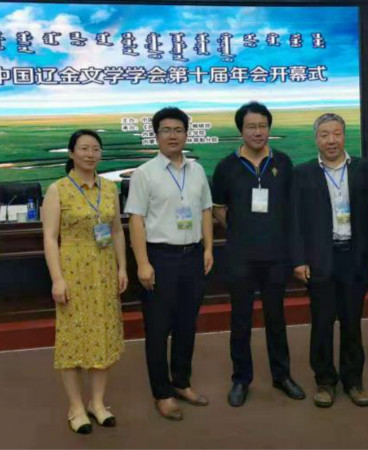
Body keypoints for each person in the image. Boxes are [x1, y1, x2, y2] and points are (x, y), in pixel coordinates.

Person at [212, 101, 305, 406]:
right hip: (240, 256)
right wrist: (242, 230)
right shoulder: (226, 167)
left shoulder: (283, 162)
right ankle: (241, 379)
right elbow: (219, 209)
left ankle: (282, 375)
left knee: (276, 318)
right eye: (251, 126)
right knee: (240, 319)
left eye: (262, 126)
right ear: (241, 130)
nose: (257, 132)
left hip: (276, 255)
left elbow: (292, 209)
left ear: (269, 128)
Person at [291, 113, 368, 407]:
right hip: (320, 258)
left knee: (351, 322)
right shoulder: (302, 173)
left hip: (354, 257)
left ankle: (354, 381)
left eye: (336, 133)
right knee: (321, 322)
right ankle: (325, 381)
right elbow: (295, 221)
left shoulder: (363, 169)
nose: (331, 140)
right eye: (324, 135)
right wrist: (299, 259)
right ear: (316, 139)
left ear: (345, 136)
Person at [125, 107, 214, 421]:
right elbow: (136, 219)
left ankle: (182, 382)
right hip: (160, 257)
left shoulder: (197, 170)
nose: (173, 136)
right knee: (158, 328)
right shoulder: (144, 173)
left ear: (187, 134)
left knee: (187, 324)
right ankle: (162, 393)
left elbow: (206, 210)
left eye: (178, 130)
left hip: (193, 256)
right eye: (166, 130)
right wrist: (142, 263)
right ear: (156, 135)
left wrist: (208, 248)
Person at [42, 129, 127, 434]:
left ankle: (98, 403)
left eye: (95, 149)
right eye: (84, 148)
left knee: (103, 336)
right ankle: (76, 407)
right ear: (72, 153)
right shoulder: (58, 190)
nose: (90, 154)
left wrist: (122, 267)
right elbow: (50, 239)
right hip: (73, 273)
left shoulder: (109, 188)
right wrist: (57, 279)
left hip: (104, 272)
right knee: (73, 339)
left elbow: (116, 231)